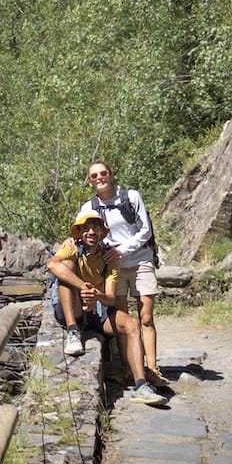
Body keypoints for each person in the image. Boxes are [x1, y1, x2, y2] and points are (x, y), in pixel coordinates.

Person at [47, 210, 167, 406]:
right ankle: (73, 331)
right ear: (79, 233)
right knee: (66, 272)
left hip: (98, 310)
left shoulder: (110, 257)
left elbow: (111, 299)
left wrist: (96, 295)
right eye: (86, 229)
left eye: (95, 228)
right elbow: (52, 266)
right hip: (74, 306)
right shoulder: (71, 248)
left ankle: (141, 384)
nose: (91, 232)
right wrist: (83, 287)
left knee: (132, 323)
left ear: (102, 233)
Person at [81, 160, 168, 388]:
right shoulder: (90, 207)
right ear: (89, 181)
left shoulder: (131, 197)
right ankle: (128, 368)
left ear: (111, 175)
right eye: (94, 176)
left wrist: (121, 249)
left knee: (146, 317)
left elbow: (145, 229)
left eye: (103, 173)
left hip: (140, 260)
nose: (99, 178)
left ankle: (153, 368)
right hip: (114, 267)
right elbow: (79, 230)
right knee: (122, 317)